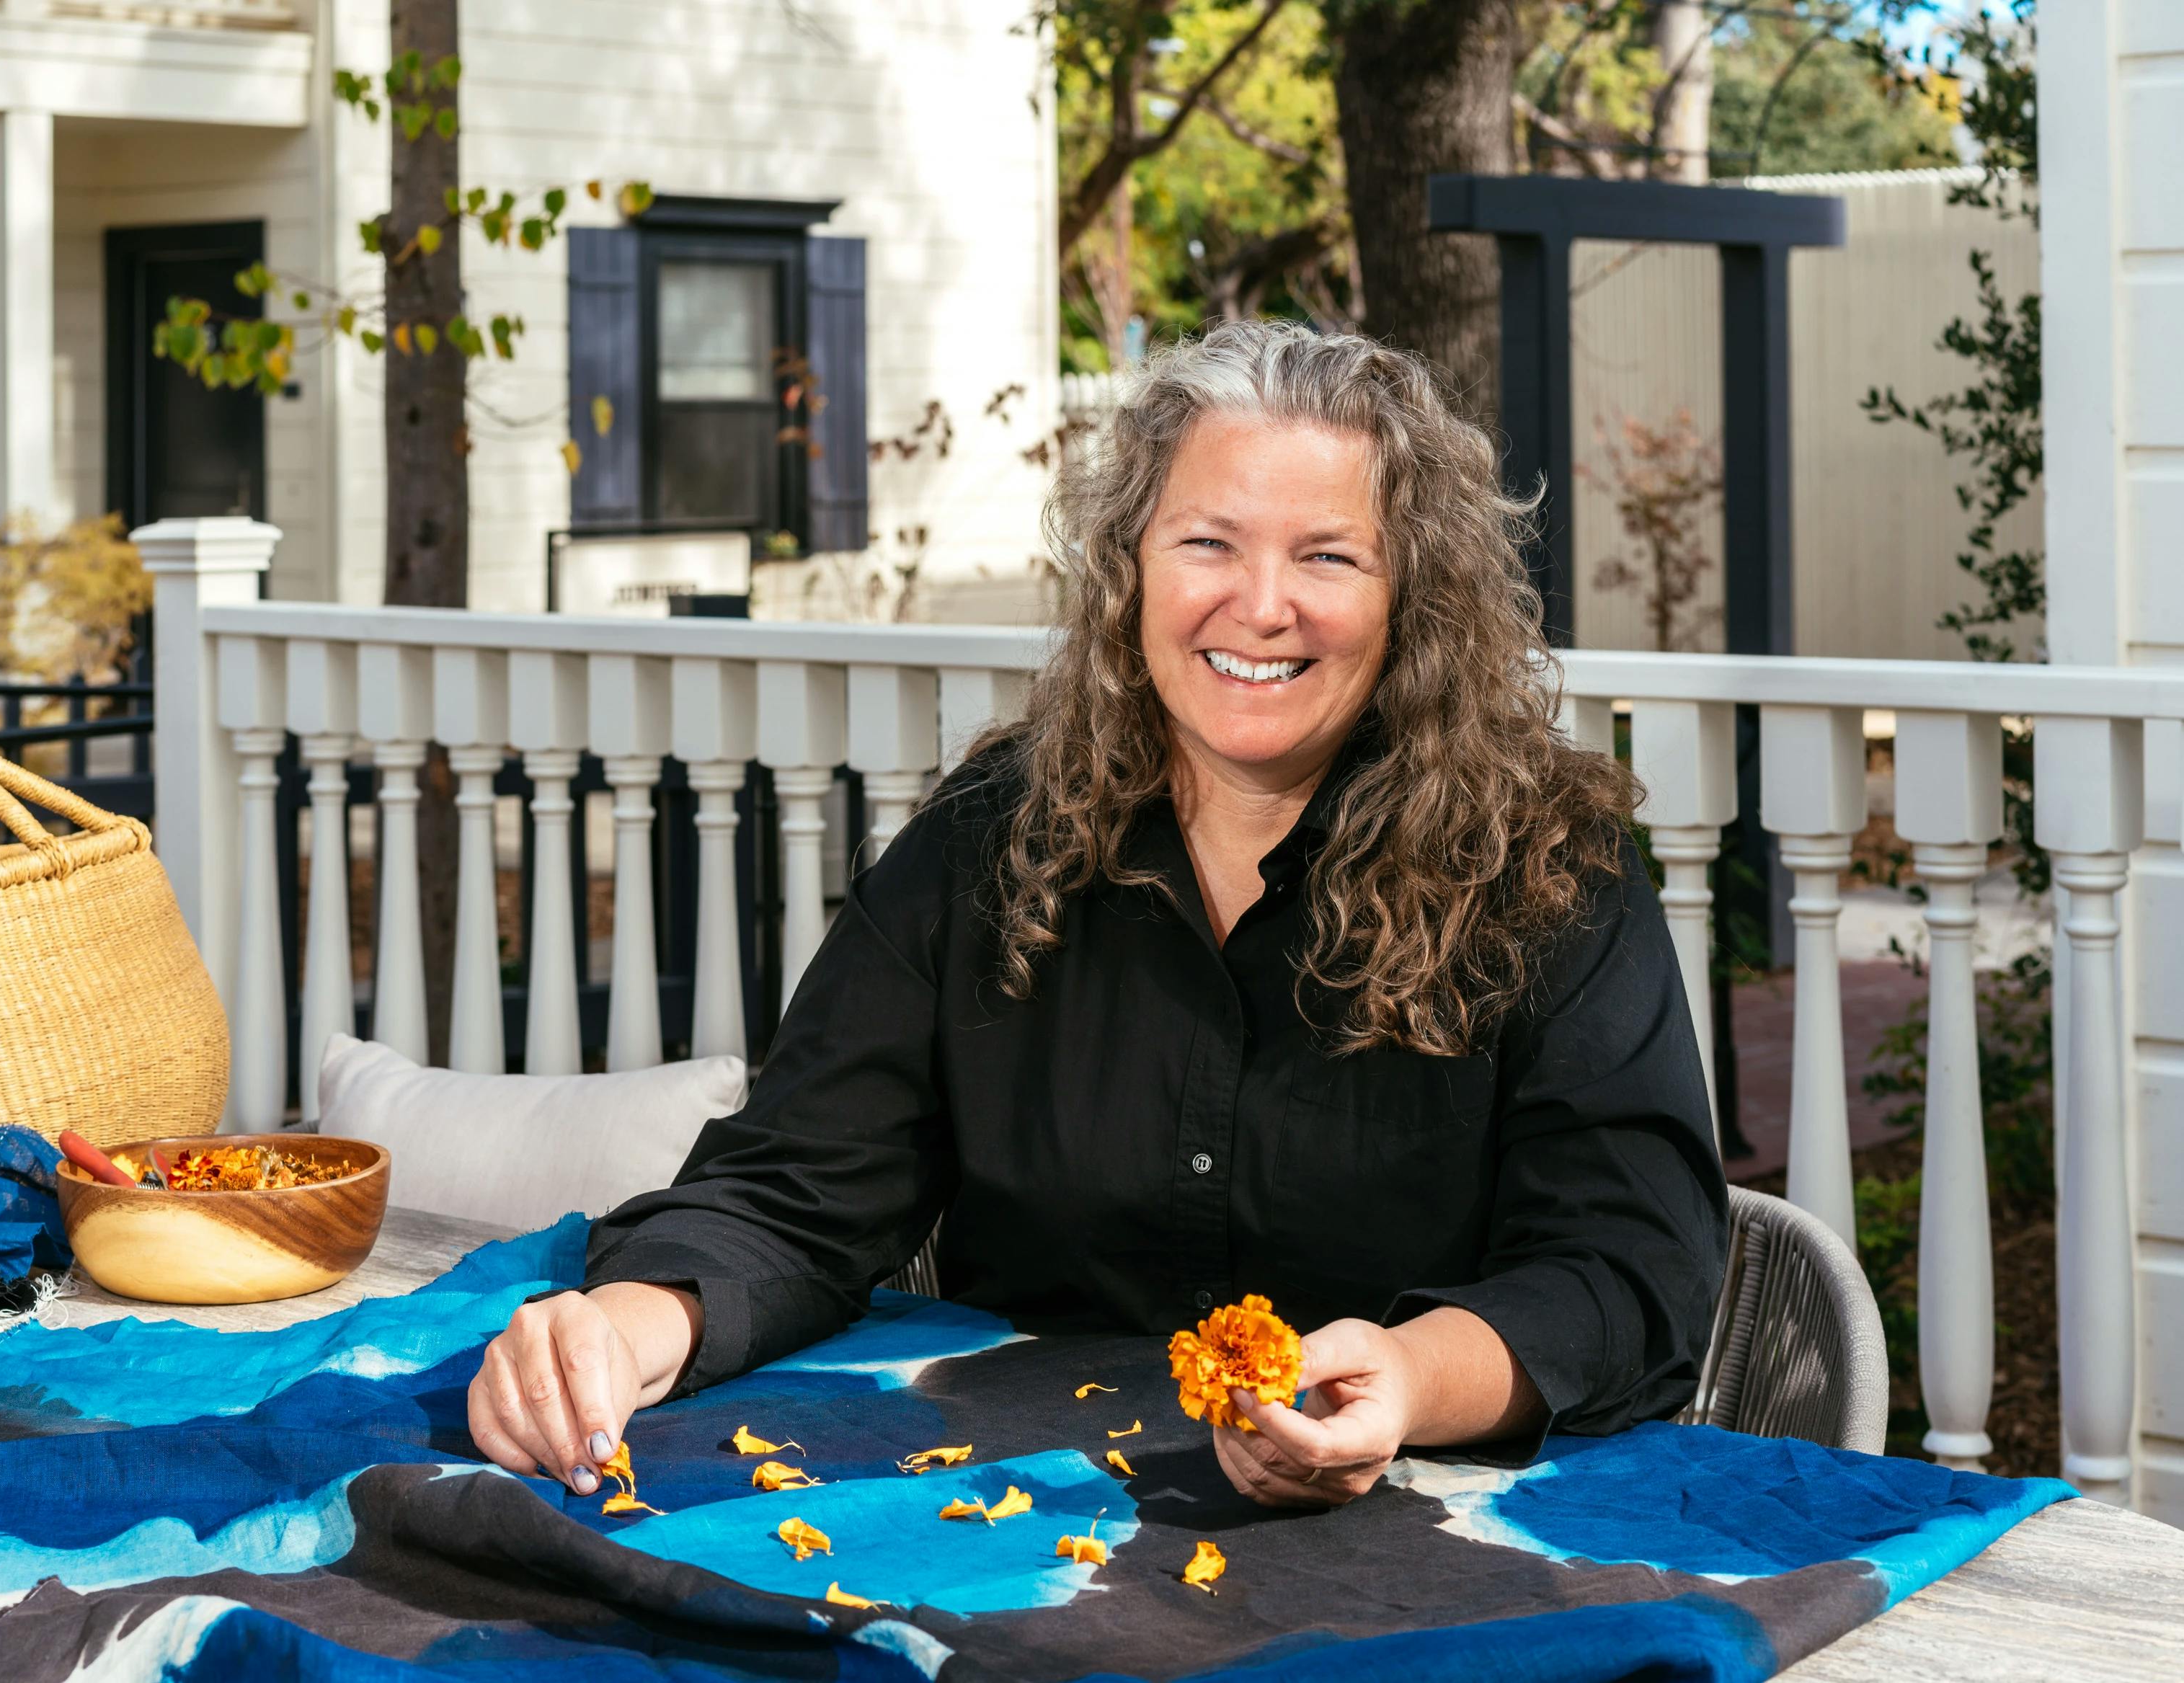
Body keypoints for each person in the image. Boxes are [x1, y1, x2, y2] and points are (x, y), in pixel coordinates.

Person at [467, 321, 1726, 1510]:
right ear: (1129, 570)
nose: (1263, 604)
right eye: (1209, 542)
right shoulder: (992, 834)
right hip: (1001, 1519)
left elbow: (1627, 1271)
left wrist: (1405, 1380)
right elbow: (797, 1183)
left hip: (1430, 1545)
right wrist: (620, 1330)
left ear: (1415, 601)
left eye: (1328, 555)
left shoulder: (1547, 864)